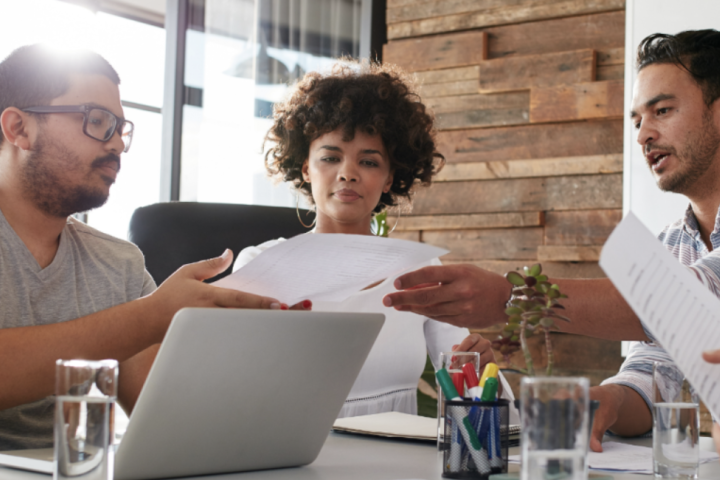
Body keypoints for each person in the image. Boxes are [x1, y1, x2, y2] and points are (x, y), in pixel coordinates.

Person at [382, 29, 720, 452]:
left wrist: (512, 297)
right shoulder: (671, 243)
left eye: (662, 111)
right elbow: (656, 372)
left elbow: (689, 301)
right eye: (637, 120)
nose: (642, 135)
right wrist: (611, 399)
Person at [0, 45, 287, 451]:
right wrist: (151, 316)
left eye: (120, 127)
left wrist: (249, 351)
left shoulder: (118, 264)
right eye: (96, 120)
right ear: (18, 128)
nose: (116, 143)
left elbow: (168, 416)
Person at [233, 61, 520, 421]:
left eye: (368, 162)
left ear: (389, 178)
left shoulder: (420, 271)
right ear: (305, 167)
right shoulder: (260, 266)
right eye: (330, 158)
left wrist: (477, 376)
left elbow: (489, 416)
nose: (348, 174)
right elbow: (227, 391)